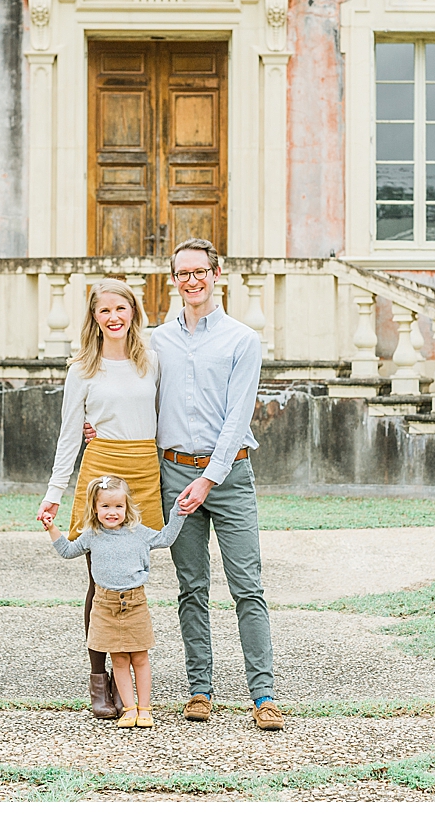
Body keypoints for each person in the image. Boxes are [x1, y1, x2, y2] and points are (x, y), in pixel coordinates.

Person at [105, 238, 284, 731]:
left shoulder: (242, 340)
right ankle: (199, 690)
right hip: (174, 472)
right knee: (191, 588)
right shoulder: (157, 340)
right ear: (174, 280)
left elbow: (236, 417)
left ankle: (263, 694)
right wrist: (96, 421)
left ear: (217, 273)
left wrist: (208, 479)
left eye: (199, 271)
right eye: (182, 273)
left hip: (228, 476)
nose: (191, 280)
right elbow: (132, 390)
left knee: (248, 587)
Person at [36, 279, 161, 719]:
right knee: (100, 579)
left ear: (134, 313)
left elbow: (163, 419)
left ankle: (132, 672)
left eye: (121, 309)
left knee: (132, 578)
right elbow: (70, 435)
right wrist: (54, 494)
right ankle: (99, 678)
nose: (113, 317)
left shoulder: (152, 361)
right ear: (93, 317)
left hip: (144, 468)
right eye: (104, 310)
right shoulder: (82, 370)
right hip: (101, 467)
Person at [46, 473, 185, 728]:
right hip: (105, 605)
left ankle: (145, 708)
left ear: (127, 507)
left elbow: (165, 538)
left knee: (140, 657)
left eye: (118, 506)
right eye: (106, 506)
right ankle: (129, 709)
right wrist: (52, 527)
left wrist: (179, 512)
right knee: (119, 659)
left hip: (134, 603)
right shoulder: (91, 536)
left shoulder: (138, 533)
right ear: (95, 508)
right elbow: (67, 551)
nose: (113, 512)